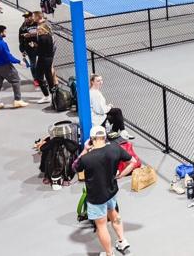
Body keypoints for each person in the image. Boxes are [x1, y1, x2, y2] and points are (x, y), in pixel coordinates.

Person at [74, 126, 137, 256]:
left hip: (97, 197)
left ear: (91, 139)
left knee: (101, 226)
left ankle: (109, 253)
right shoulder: (115, 148)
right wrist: (120, 175)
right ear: (105, 137)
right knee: (114, 215)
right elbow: (133, 161)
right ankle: (122, 240)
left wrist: (85, 150)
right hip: (112, 191)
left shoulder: (87, 158)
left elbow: (75, 167)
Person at [0, 25, 28, 111]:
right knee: (16, 80)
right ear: (1, 33)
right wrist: (19, 62)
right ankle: (18, 100)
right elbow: (8, 56)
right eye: (4, 31)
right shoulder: (2, 44)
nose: (6, 33)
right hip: (3, 66)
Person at [89, 74, 134, 140]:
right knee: (117, 114)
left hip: (97, 116)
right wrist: (109, 107)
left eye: (101, 80)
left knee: (117, 113)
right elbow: (100, 110)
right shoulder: (95, 94)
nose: (101, 82)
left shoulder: (93, 91)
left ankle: (118, 132)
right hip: (97, 119)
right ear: (92, 82)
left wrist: (107, 107)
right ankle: (120, 132)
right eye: (98, 81)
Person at [18, 12, 44, 98]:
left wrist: (29, 35)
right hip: (30, 48)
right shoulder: (22, 27)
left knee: (41, 62)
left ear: (31, 17)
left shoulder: (37, 24)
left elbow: (42, 31)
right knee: (33, 64)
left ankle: (41, 77)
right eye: (25, 17)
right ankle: (36, 79)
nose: (26, 18)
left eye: (27, 17)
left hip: (40, 46)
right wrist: (22, 50)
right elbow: (21, 40)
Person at [33, 22, 58, 99]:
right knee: (48, 75)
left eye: (40, 29)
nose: (38, 31)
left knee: (38, 76)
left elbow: (38, 52)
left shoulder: (41, 38)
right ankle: (52, 93)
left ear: (44, 30)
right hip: (49, 58)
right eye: (38, 29)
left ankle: (46, 95)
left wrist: (34, 47)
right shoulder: (49, 36)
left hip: (42, 59)